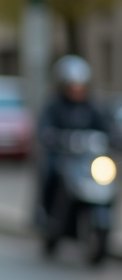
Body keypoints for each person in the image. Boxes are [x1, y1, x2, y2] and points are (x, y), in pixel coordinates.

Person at [35, 54, 112, 227]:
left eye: (81, 87)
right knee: (51, 171)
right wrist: (55, 137)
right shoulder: (54, 105)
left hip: (86, 158)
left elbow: (106, 128)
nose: (77, 91)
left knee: (106, 175)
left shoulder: (91, 106)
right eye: (73, 86)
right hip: (62, 155)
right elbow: (44, 130)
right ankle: (47, 214)